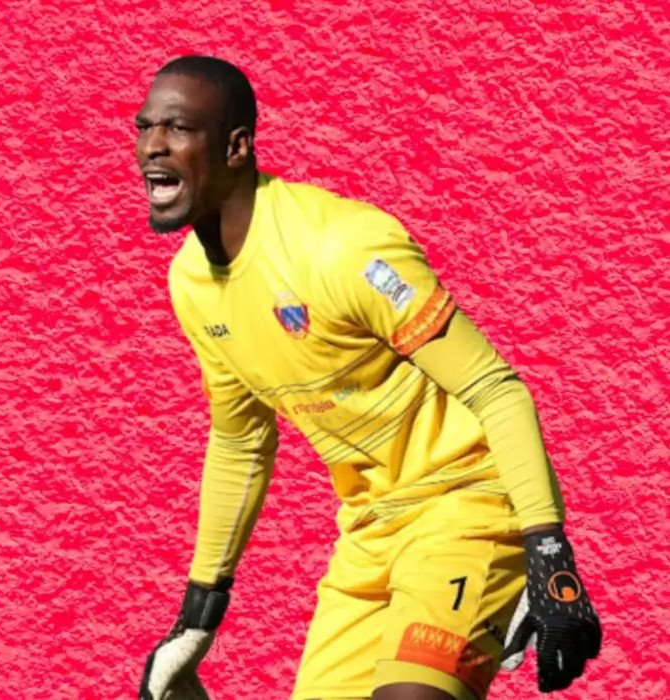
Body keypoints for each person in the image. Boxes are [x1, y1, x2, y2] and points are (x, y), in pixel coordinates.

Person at [134, 55, 601, 700]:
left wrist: (548, 551)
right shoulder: (190, 283)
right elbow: (241, 443)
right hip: (369, 533)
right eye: (145, 127)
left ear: (236, 146)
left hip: (467, 505)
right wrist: (198, 615)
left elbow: (496, 388)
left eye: (178, 128)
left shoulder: (341, 248)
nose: (152, 146)